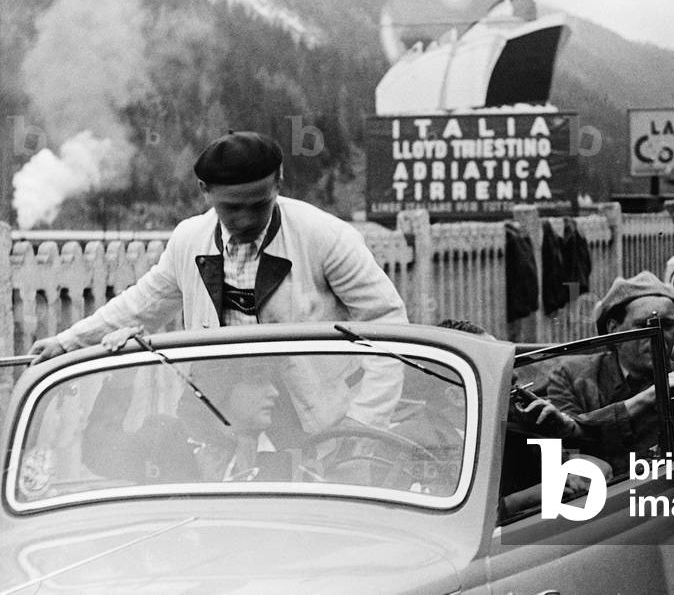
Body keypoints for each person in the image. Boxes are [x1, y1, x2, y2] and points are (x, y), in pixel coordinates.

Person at [30, 131, 408, 429]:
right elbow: (141, 306)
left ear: (279, 181)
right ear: (204, 191)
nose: (244, 221)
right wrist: (66, 343)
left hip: (317, 419)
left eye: (258, 205)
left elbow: (388, 326)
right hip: (222, 415)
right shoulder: (189, 239)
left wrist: (364, 424)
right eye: (230, 208)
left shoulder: (327, 237)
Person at [545, 271, 674, 474]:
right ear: (613, 329)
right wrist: (648, 397)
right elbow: (567, 437)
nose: (658, 336)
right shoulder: (570, 377)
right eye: (645, 326)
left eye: (667, 325)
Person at [83, 357, 304, 483]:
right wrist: (122, 377)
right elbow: (99, 454)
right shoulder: (162, 442)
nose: (274, 392)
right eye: (259, 380)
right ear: (219, 388)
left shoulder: (288, 460)